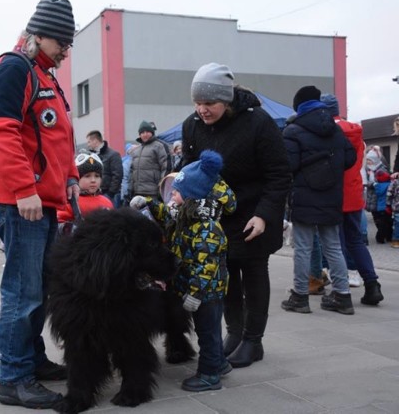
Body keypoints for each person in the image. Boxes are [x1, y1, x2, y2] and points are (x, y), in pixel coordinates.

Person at [0, 0, 79, 409]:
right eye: (62, 43)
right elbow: (1, 132)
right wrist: (24, 189)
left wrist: (72, 176)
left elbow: (59, 135)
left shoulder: (44, 74)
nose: (65, 52)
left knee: (39, 288)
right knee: (22, 293)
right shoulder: (14, 68)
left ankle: (32, 360)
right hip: (22, 202)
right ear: (41, 35)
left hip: (43, 202)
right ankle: (14, 377)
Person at [181, 63, 291, 368]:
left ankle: (253, 341)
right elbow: (190, 167)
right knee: (224, 277)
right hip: (216, 217)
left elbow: (279, 174)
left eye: (209, 103)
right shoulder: (192, 125)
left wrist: (264, 215)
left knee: (254, 272)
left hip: (254, 213)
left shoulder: (259, 123)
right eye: (197, 103)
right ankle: (235, 333)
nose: (202, 110)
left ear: (226, 101)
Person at [131, 149, 237, 391]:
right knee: (208, 330)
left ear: (192, 196)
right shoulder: (185, 215)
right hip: (191, 288)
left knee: (207, 332)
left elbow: (206, 267)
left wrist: (196, 294)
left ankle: (210, 374)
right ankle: (219, 363)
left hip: (205, 293)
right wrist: (147, 203)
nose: (172, 195)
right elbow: (166, 214)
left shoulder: (206, 228)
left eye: (176, 192)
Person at [281, 86, 356, 315]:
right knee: (333, 247)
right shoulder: (335, 129)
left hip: (304, 196)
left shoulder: (293, 130)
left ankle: (300, 296)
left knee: (303, 247)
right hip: (332, 195)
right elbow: (350, 158)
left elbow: (289, 166)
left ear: (299, 106)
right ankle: (343, 296)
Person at [321, 93, 384, 304]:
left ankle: (340, 289)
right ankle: (372, 284)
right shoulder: (356, 133)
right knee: (356, 241)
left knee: (334, 244)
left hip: (334, 194)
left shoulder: (326, 131)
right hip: (354, 193)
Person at [57, 152, 113, 228]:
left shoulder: (107, 202)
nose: (93, 180)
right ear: (77, 179)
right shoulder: (70, 202)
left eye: (97, 176)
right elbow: (59, 222)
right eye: (87, 176)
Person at [129, 120, 169, 201]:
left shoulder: (159, 146)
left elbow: (166, 167)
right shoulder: (136, 150)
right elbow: (131, 172)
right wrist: (130, 189)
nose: (145, 134)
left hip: (153, 192)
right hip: (137, 192)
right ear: (139, 134)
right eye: (142, 132)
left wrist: (161, 187)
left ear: (152, 133)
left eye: (147, 131)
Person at [85, 130, 123, 204]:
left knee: (110, 215)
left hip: (109, 195)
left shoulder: (113, 155)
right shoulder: (92, 156)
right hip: (95, 194)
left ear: (95, 141)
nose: (88, 145)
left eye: (89, 142)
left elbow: (118, 176)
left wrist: (110, 193)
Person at [365, 146, 393, 244]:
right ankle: (383, 233)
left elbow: (385, 182)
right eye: (367, 160)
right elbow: (365, 181)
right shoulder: (367, 169)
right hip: (371, 197)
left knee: (383, 218)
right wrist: (371, 183)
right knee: (376, 217)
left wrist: (375, 184)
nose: (368, 162)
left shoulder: (382, 169)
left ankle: (383, 234)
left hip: (380, 198)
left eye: (370, 160)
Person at [387, 173, 399, 248]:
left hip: (396, 205)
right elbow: (389, 193)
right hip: (397, 206)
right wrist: (388, 204)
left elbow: (389, 194)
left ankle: (396, 240)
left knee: (397, 223)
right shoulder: (395, 182)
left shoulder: (394, 182)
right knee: (397, 223)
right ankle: (396, 240)